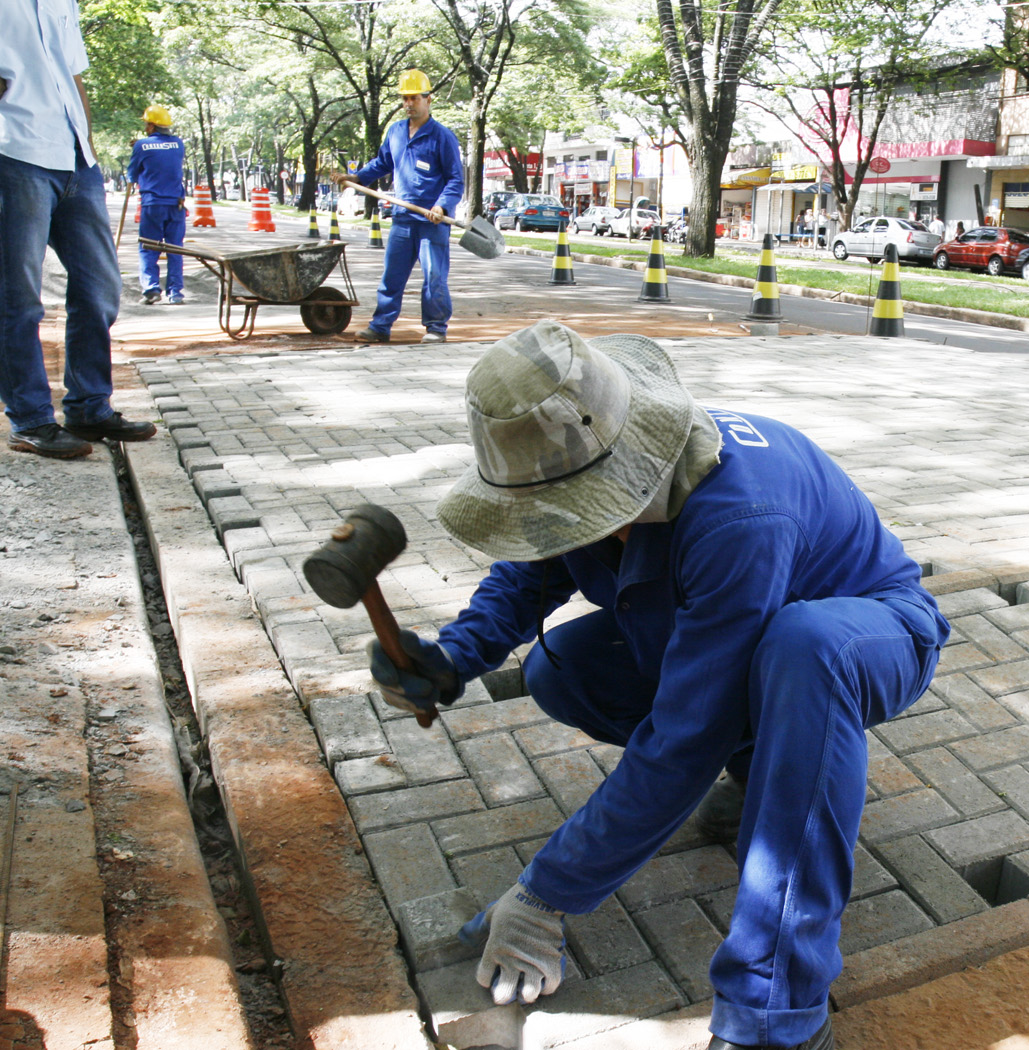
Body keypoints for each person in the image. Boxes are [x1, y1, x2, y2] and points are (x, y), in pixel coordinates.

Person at [369, 320, 949, 1050]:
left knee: (801, 649)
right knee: (564, 668)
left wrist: (548, 891)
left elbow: (683, 739)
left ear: (624, 473)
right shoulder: (587, 452)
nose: (556, 524)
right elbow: (529, 572)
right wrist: (453, 659)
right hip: (753, 640)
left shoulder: (737, 516)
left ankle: (779, 1013)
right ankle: (764, 768)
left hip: (869, 635)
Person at [0, 1, 156, 459]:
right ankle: (30, 419)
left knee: (100, 288)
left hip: (75, 161)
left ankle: (89, 408)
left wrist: (86, 145)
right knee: (18, 298)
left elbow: (73, 75)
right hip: (14, 153)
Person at [332, 69, 462, 344]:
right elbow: (382, 163)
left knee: (434, 278)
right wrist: (357, 178)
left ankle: (436, 328)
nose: (408, 103)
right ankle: (380, 327)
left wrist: (442, 206)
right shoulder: (396, 132)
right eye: (405, 98)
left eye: (414, 98)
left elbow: (455, 179)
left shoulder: (442, 137)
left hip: (431, 222)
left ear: (428, 99)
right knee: (392, 276)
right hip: (403, 218)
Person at [127, 104, 187, 306]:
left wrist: (138, 149)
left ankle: (151, 289)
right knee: (175, 249)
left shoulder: (141, 146)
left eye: (147, 124)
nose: (145, 127)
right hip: (176, 204)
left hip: (153, 204)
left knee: (149, 248)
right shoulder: (178, 144)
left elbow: (132, 174)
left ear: (152, 126)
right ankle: (175, 293)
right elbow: (163, 157)